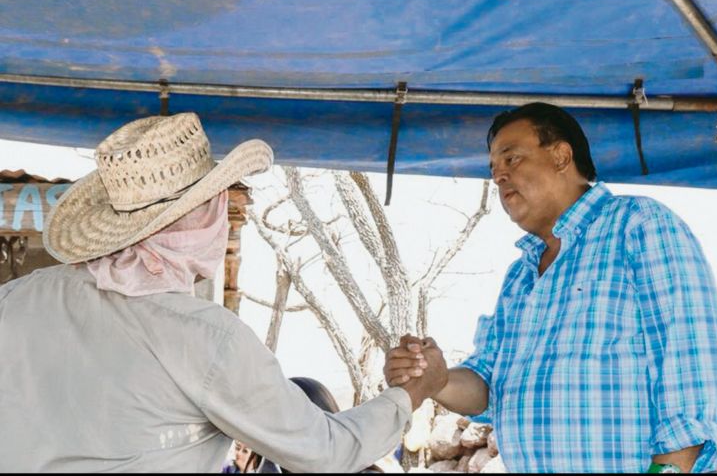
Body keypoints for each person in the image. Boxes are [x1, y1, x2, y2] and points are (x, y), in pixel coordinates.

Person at [0, 112, 446, 472]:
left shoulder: (16, 300)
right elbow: (322, 452)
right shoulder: (206, 337)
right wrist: (408, 395)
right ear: (205, 215)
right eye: (217, 199)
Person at [384, 102, 717, 473]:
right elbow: (487, 387)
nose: (499, 176)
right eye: (493, 169)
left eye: (512, 159)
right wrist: (436, 379)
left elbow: (693, 362)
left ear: (561, 156)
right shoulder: (520, 277)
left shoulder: (637, 224)